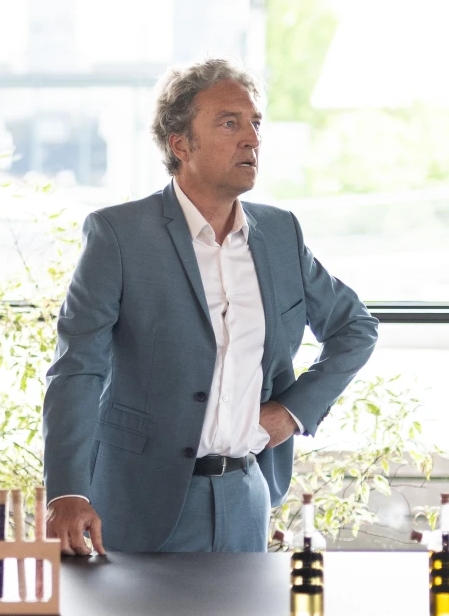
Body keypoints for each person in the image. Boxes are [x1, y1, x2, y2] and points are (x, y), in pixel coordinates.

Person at [42, 59, 379, 554]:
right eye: (229, 123)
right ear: (181, 144)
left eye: (255, 123)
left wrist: (292, 410)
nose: (252, 139)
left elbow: (356, 329)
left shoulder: (280, 234)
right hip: (139, 500)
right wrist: (67, 492)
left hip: (246, 496)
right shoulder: (119, 235)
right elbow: (78, 368)